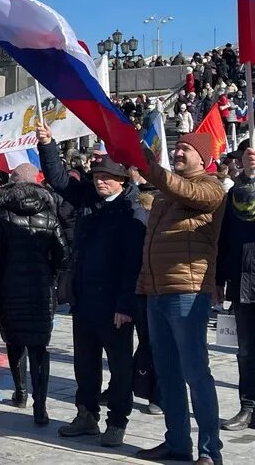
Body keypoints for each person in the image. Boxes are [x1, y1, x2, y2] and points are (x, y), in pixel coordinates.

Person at [37, 122, 147, 448]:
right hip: (84, 299)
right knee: (84, 363)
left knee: (119, 367)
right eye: (97, 177)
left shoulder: (132, 212)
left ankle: (117, 421)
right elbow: (58, 180)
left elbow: (133, 266)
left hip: (114, 306)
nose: (100, 182)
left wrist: (125, 306)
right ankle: (86, 415)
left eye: (107, 178)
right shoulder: (88, 198)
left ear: (122, 180)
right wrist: (48, 145)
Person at [135, 133, 225, 465]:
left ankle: (209, 451)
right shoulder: (162, 198)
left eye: (185, 149)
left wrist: (143, 159)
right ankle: (177, 443)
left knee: (195, 373)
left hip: (188, 293)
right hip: (156, 293)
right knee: (168, 373)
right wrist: (144, 285)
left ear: (203, 158)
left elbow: (183, 189)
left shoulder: (210, 188)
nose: (178, 152)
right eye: (177, 147)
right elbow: (151, 245)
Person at [0, 163, 66, 426]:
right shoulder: (50, 216)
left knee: (14, 341)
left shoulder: (2, 214)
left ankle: (21, 392)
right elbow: (62, 254)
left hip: (9, 288)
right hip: (41, 290)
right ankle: (40, 406)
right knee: (39, 346)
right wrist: (49, 274)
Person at [217, 141, 255, 431]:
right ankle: (248, 406)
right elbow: (224, 239)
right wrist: (218, 279)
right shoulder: (233, 194)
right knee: (245, 351)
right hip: (242, 283)